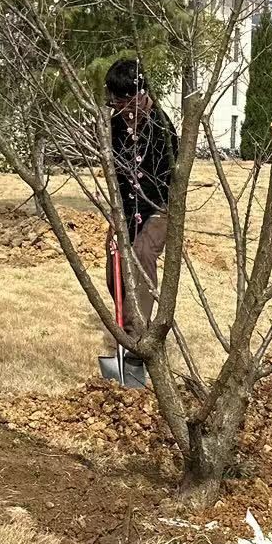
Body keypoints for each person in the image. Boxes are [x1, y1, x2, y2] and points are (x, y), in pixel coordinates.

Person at [104, 58, 176, 379]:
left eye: (124, 101)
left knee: (142, 253)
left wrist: (139, 218)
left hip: (160, 207)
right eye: (115, 102)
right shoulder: (115, 127)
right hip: (125, 208)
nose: (120, 108)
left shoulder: (162, 128)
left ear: (140, 95)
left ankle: (138, 343)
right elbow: (116, 178)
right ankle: (127, 327)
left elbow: (163, 184)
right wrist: (116, 218)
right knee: (115, 264)